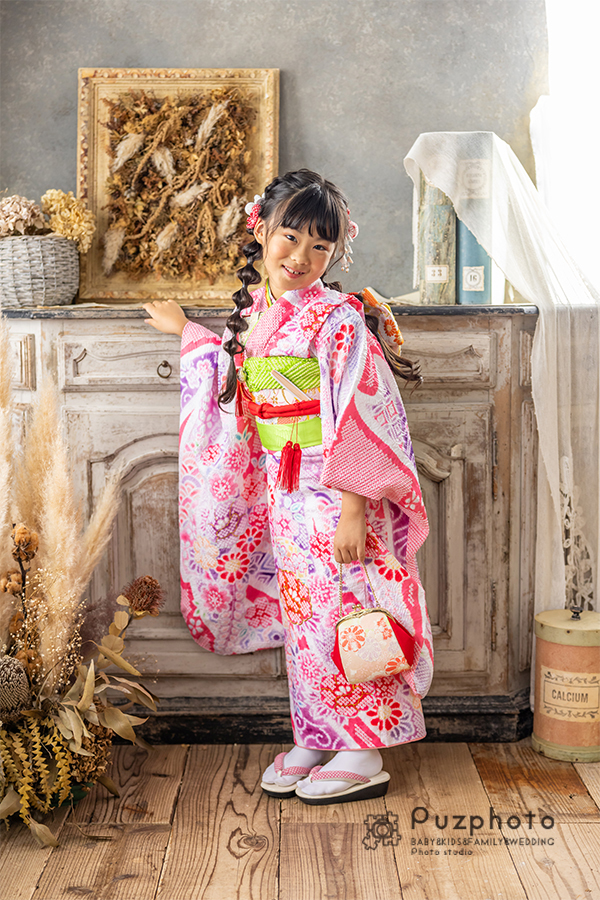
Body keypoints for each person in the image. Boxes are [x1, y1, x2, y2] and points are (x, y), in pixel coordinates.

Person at [143, 169, 433, 805]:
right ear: (262, 231)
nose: (301, 256)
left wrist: (354, 508)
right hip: (289, 492)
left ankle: (364, 748)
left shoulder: (338, 320)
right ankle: (317, 733)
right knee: (305, 616)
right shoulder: (259, 316)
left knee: (349, 609)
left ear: (335, 254)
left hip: (338, 492)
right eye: (291, 237)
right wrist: (187, 332)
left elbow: (361, 408)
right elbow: (229, 370)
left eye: (320, 247)